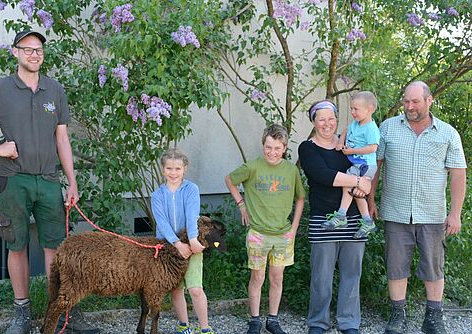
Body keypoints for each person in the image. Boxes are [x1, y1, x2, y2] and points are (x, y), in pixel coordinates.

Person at [0, 30, 99, 333]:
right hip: (13, 180)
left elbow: (62, 138)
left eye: (39, 49)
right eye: (27, 49)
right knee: (17, 246)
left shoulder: (54, 90)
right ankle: (21, 313)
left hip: (48, 180)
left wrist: (72, 180)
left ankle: (63, 312)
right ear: (15, 53)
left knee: (56, 247)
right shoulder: (0, 90)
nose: (34, 54)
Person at [368, 81, 467, 334]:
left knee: (433, 267)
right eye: (406, 101)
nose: (409, 106)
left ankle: (433, 317)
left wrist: (455, 213)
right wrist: (370, 199)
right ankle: (397, 316)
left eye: (415, 102)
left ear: (429, 100)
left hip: (432, 214)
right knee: (396, 265)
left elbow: (458, 175)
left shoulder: (447, 133)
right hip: (395, 211)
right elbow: (375, 166)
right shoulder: (388, 128)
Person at [298, 100, 372, 334]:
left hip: (353, 220)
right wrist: (359, 182)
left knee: (352, 275)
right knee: (321, 277)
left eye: (331, 119)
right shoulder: (307, 148)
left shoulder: (348, 145)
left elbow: (364, 166)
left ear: (337, 120)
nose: (327, 124)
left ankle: (348, 323)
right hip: (323, 220)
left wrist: (363, 183)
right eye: (321, 119)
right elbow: (324, 175)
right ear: (313, 122)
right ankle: (318, 323)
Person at [225, 124, 306, 334]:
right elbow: (230, 180)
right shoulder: (252, 167)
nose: (272, 152)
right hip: (258, 234)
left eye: (277, 148)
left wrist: (294, 228)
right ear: (263, 145)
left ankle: (273, 319)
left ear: (285, 148)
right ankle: (254, 320)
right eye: (268, 147)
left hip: (282, 235)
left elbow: (300, 198)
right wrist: (241, 205)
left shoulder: (291, 170)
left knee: (277, 278)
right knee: (257, 277)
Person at [151, 148, 214, 334]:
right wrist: (176, 244)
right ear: (163, 170)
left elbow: (191, 214)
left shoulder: (191, 189)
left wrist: (192, 240)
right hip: (168, 248)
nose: (173, 173)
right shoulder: (157, 195)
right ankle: (183, 325)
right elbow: (161, 221)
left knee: (195, 288)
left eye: (177, 169)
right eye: (169, 168)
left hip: (191, 244)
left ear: (184, 169)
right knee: (176, 289)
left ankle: (204, 328)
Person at [323, 91, 380, 239]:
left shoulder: (371, 128)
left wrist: (351, 151)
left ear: (369, 110)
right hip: (358, 164)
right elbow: (345, 131)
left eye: (356, 109)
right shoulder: (355, 124)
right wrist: (341, 142)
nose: (352, 112)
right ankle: (367, 221)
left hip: (365, 165)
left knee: (349, 185)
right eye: (352, 108)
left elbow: (373, 148)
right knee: (355, 192)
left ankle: (342, 215)